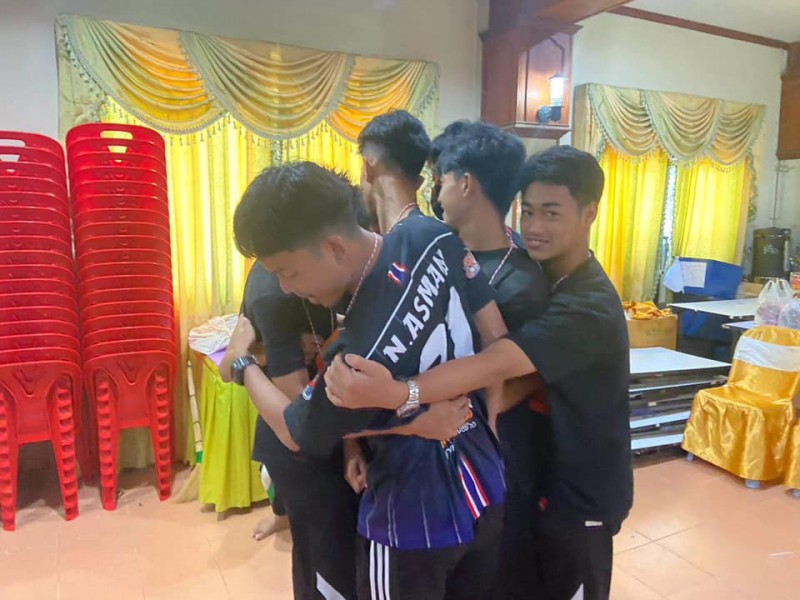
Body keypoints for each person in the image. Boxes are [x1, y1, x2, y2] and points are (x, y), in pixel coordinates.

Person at [325, 145, 634, 600]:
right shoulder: (541, 275)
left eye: (551, 213)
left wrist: (402, 395)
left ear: (589, 213)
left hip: (583, 492)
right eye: (528, 211)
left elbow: (498, 362)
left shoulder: (588, 305)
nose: (535, 227)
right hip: (537, 479)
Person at [227, 157, 507, 600]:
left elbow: (295, 430)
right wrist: (486, 418)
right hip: (484, 481)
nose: (284, 287)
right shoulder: (430, 235)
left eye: (288, 271)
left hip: (410, 517)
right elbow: (497, 337)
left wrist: (242, 365)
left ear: (335, 248)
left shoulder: (354, 359)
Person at [435, 121, 551, 599]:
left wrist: (480, 409)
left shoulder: (523, 281)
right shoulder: (438, 258)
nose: (437, 194)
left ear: (466, 184)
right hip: (437, 444)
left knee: (493, 574)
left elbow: (534, 374)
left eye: (442, 181)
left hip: (497, 450)